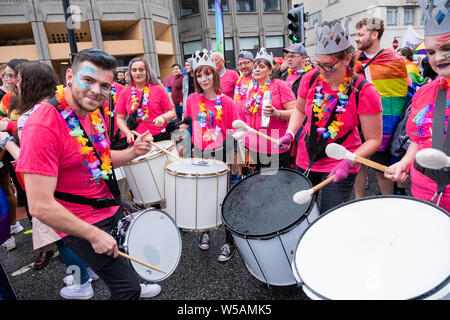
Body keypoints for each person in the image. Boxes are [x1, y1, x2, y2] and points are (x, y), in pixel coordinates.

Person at [15, 48, 161, 300]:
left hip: (109, 205)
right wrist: (94, 235)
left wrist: (133, 152)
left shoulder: (93, 112)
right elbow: (39, 206)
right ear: (70, 76)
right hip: (80, 221)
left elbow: (100, 159)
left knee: (138, 253)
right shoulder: (42, 125)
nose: (96, 90)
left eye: (104, 85)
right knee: (127, 290)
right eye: (88, 80)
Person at [0, 61, 101, 299]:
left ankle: (81, 283)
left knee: (63, 239)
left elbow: (27, 159)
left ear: (30, 84)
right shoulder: (64, 108)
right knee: (83, 231)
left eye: (20, 80)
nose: (16, 84)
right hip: (77, 183)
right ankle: (90, 270)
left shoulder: (29, 118)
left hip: (50, 188)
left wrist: (6, 142)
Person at [279, 18, 383, 213]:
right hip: (306, 157)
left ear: (347, 59)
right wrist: (291, 133)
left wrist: (350, 160)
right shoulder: (310, 78)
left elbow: (373, 139)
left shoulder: (364, 90)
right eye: (318, 63)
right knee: (301, 214)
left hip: (340, 161)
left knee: (329, 214)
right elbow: (300, 110)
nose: (322, 71)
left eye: (328, 66)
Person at [385, 0, 450, 213]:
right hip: (423, 192)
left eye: (446, 48)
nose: (438, 58)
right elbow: (419, 139)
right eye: (431, 52)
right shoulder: (425, 92)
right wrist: (404, 162)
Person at [183, 49, 239, 262]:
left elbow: (234, 133)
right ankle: (205, 231)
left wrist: (234, 161)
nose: (203, 78)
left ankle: (228, 242)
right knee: (203, 196)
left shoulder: (227, 102)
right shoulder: (191, 100)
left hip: (222, 153)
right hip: (199, 153)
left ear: (215, 75)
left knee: (224, 198)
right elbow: (188, 124)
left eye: (207, 73)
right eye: (199, 74)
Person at [353, 17, 408, 198]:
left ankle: (389, 202)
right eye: (356, 34)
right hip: (358, 120)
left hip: (384, 124)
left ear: (375, 34)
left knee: (381, 169)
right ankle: (358, 202)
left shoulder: (394, 60)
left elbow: (398, 96)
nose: (356, 38)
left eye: (361, 34)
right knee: (358, 163)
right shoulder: (354, 61)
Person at [237, 48, 296, 171]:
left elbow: (296, 112)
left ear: (270, 70)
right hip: (252, 146)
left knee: (272, 186)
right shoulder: (252, 88)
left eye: (261, 67)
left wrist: (277, 113)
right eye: (255, 67)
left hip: (274, 146)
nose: (257, 69)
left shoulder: (279, 85)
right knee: (255, 184)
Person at [0, 58, 28, 252]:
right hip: (14, 156)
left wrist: (10, 126)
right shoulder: (7, 99)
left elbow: (42, 123)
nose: (8, 80)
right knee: (27, 199)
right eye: (6, 75)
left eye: (12, 75)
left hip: (37, 156)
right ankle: (47, 247)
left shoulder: (36, 95)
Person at [115, 57, 176, 146]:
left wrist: (163, 117)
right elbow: (120, 118)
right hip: (138, 139)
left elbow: (172, 112)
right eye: (134, 70)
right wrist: (128, 133)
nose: (137, 73)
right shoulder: (124, 92)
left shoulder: (158, 89)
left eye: (141, 70)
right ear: (130, 73)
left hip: (160, 137)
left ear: (147, 71)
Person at [232, 50, 254, 182]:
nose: (243, 66)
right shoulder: (240, 79)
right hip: (239, 124)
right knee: (240, 152)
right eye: (240, 64)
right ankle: (243, 177)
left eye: (246, 62)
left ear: (253, 63)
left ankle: (250, 178)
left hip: (250, 125)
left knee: (250, 155)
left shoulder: (256, 79)